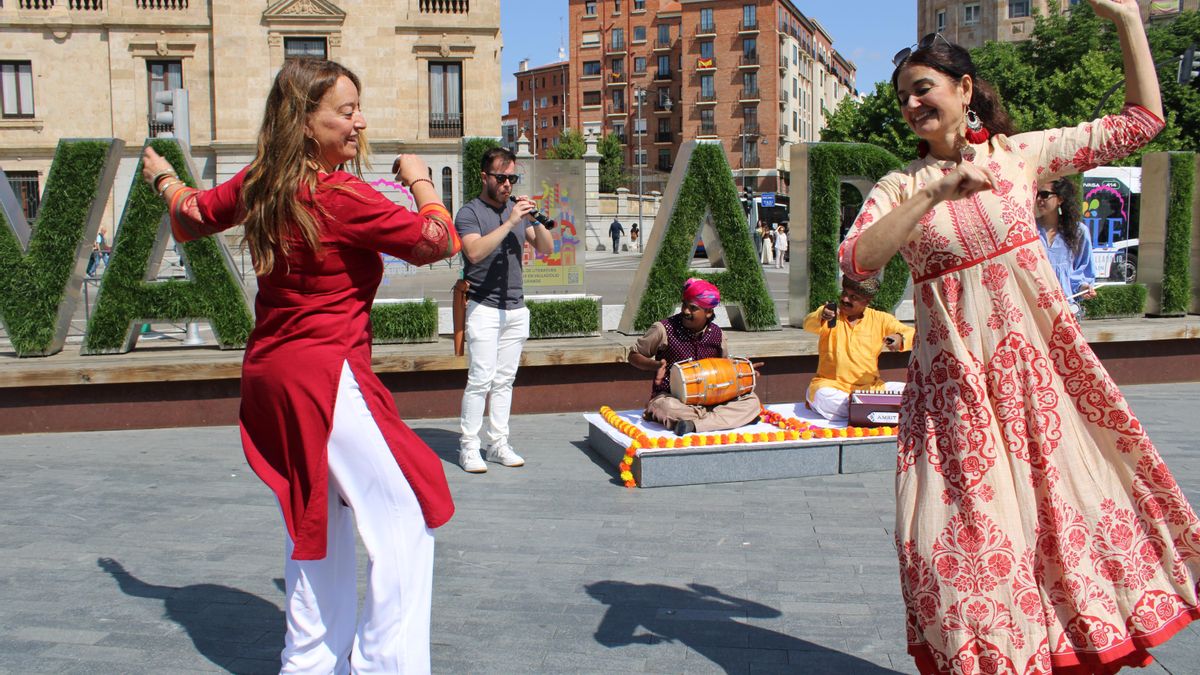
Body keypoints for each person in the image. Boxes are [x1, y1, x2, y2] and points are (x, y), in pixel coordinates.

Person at [841, 2, 1199, 671]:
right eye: (902, 97)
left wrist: (1127, 21)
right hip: (955, 406)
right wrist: (936, 191)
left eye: (923, 88)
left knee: (1060, 536)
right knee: (959, 554)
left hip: (1036, 391)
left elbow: (1140, 123)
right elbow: (857, 258)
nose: (911, 104)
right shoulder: (901, 185)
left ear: (965, 89)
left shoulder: (1020, 156)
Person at [139, 58, 460, 672]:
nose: (360, 122)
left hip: (274, 374)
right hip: (324, 374)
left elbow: (193, 213)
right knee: (404, 516)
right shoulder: (339, 193)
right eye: (346, 111)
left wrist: (161, 179)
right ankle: (384, 666)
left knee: (319, 521)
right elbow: (436, 241)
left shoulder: (262, 181)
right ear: (305, 122)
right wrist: (422, 181)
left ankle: (310, 663)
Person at [456, 147, 554, 473]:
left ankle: (498, 443)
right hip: (483, 307)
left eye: (512, 178)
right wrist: (511, 220)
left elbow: (546, 248)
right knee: (480, 379)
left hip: (515, 308)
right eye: (502, 177)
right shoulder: (469, 213)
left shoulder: (515, 212)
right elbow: (473, 252)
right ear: (484, 177)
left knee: (504, 381)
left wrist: (534, 220)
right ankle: (469, 447)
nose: (508, 184)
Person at [628, 278, 761, 436]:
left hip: (712, 399)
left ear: (708, 312)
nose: (685, 311)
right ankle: (722, 420)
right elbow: (633, 356)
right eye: (684, 305)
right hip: (672, 398)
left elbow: (725, 366)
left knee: (752, 402)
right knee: (667, 407)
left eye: (693, 308)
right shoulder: (663, 329)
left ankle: (693, 424)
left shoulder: (718, 335)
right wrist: (655, 365)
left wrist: (744, 372)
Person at [802, 277, 914, 421]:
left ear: (867, 301)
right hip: (833, 387)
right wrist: (821, 315)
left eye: (853, 297)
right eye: (844, 293)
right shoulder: (831, 315)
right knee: (823, 396)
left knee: (913, 391)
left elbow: (911, 332)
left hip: (871, 389)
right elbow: (808, 324)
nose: (845, 299)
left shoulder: (880, 319)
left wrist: (900, 338)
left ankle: (866, 409)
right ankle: (877, 410)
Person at [1036, 177, 1096, 318]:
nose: (1039, 199)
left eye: (1044, 194)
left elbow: (1082, 270)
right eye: (1036, 194)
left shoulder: (1078, 231)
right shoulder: (1028, 229)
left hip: (1066, 310)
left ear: (1060, 199)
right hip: (1036, 310)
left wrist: (1084, 288)